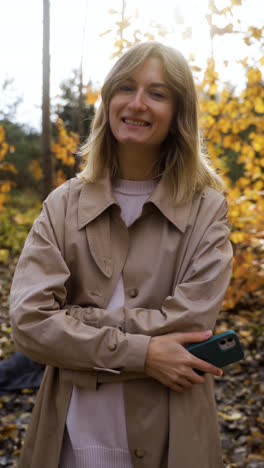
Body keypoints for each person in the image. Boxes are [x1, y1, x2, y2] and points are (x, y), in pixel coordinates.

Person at [10, 41, 233, 468]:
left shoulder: (207, 210)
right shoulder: (62, 205)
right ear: (108, 100)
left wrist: (75, 322)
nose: (137, 103)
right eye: (125, 88)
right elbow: (31, 322)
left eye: (157, 93)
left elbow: (189, 326)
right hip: (69, 433)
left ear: (178, 113)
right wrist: (145, 353)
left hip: (172, 434)